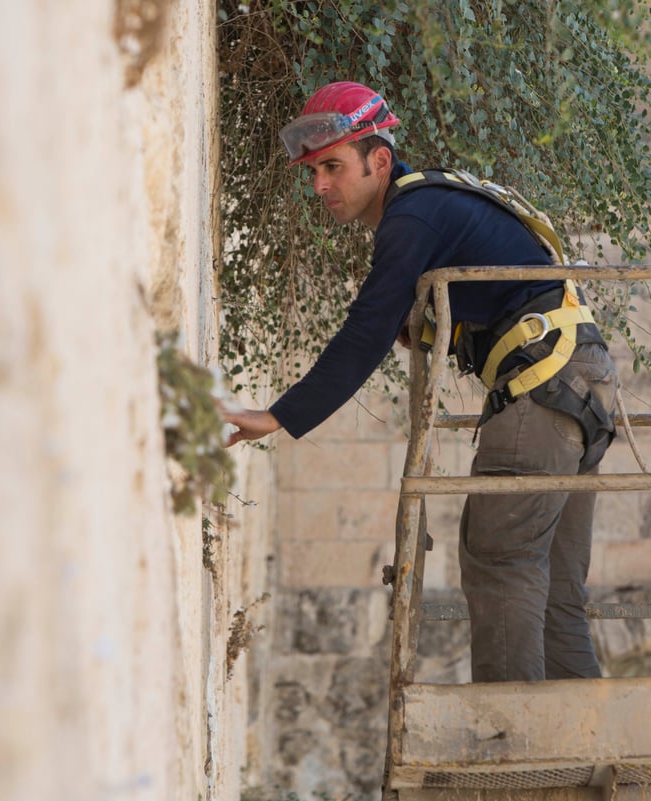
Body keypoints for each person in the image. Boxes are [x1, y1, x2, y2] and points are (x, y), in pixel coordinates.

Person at [222, 81, 618, 683]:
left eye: (332, 167)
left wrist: (278, 415)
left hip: (541, 390)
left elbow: (365, 333)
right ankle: (584, 750)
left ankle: (509, 754)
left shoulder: (409, 218)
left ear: (378, 161)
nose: (320, 186)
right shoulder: (433, 203)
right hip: (583, 384)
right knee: (556, 590)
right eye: (313, 172)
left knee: (502, 564)